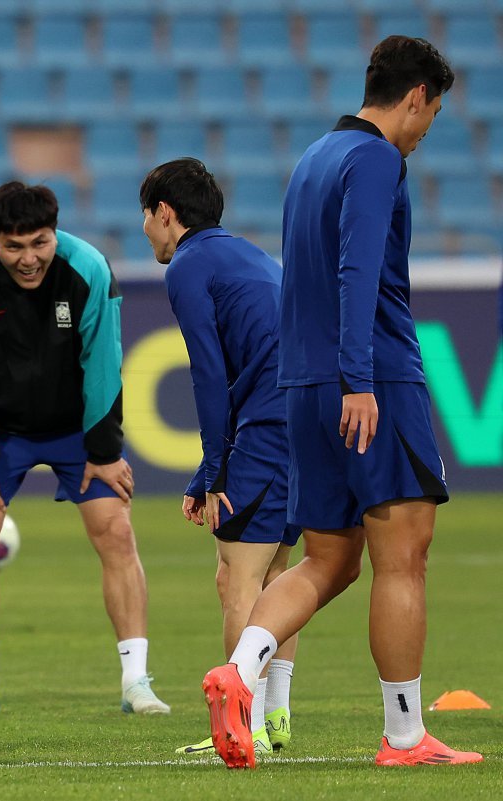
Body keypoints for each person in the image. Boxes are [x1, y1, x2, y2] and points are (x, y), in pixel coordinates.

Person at [202, 36, 481, 769]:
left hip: (304, 386)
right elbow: (359, 266)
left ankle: (239, 671)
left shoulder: (314, 158)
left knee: (328, 558)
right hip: (373, 380)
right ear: (415, 95)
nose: (426, 132)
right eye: (432, 114)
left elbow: (305, 278)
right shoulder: (377, 158)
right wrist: (359, 375)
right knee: (403, 556)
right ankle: (405, 736)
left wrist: (321, 379)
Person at [0, 181, 168, 718]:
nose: (27, 259)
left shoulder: (88, 267)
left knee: (115, 528)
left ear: (55, 232)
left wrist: (106, 451)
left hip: (75, 429)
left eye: (39, 243)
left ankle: (137, 682)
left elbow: (103, 363)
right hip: (1, 432)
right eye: (13, 246)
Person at [139, 158, 301, 756]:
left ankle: (244, 727)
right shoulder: (249, 256)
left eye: (148, 220)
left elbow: (208, 375)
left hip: (265, 429)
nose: (147, 233)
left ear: (166, 214)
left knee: (238, 578)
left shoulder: (188, 265)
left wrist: (216, 469)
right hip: (297, 425)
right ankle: (276, 717)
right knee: (277, 575)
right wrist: (208, 469)